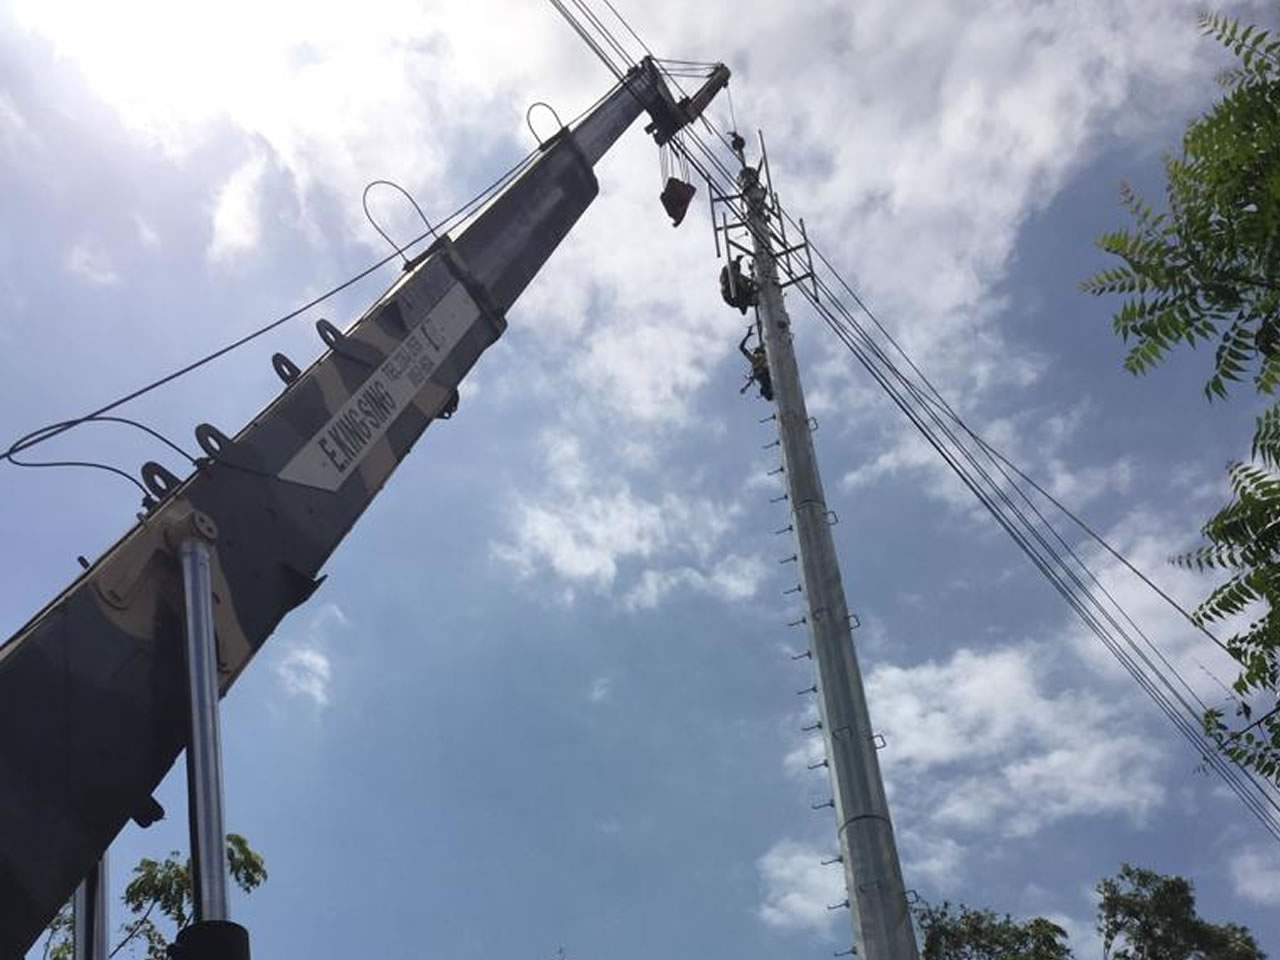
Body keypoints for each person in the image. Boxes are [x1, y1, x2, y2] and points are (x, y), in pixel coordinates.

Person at [738, 326, 774, 401]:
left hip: (765, 376)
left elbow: (741, 347)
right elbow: (741, 347)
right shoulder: (756, 360)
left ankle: (768, 394)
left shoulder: (768, 358)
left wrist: (747, 336)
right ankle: (768, 394)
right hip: (764, 376)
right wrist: (747, 335)